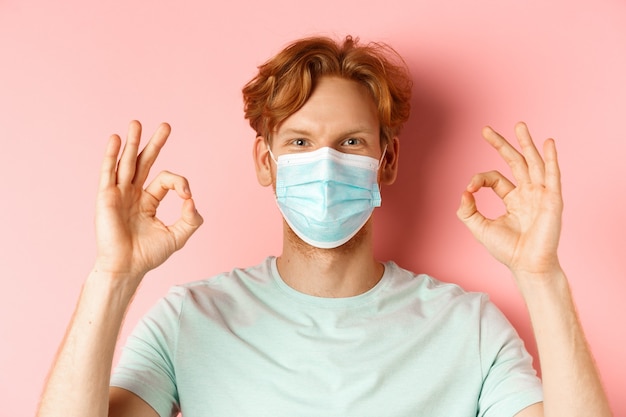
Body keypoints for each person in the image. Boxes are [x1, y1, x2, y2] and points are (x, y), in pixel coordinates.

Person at [36, 36, 612, 417]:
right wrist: (112, 276)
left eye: (352, 142)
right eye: (301, 142)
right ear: (266, 162)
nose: (327, 163)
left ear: (386, 162)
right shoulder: (192, 319)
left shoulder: (469, 328)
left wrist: (542, 276)